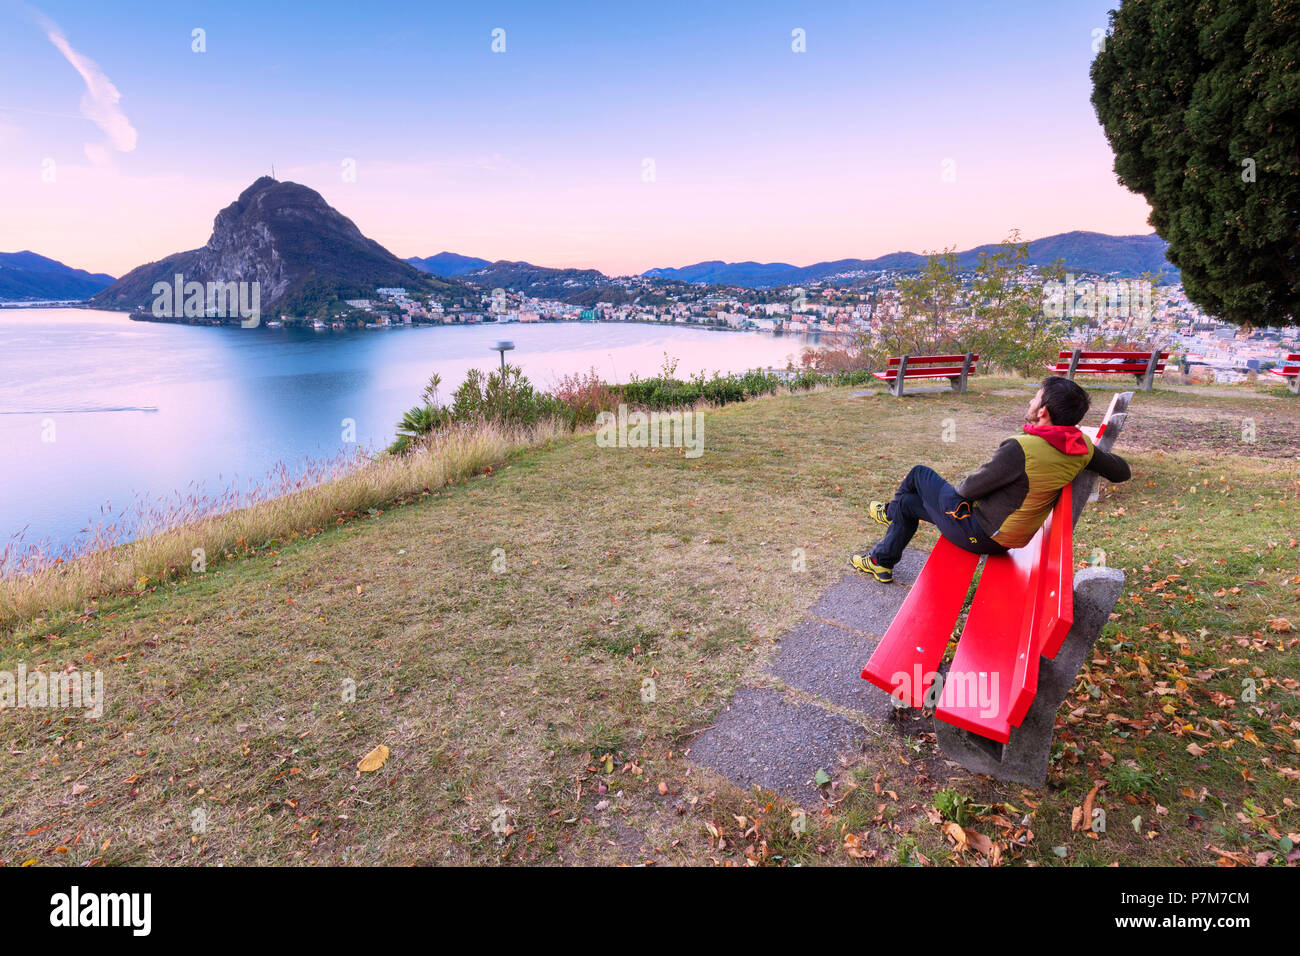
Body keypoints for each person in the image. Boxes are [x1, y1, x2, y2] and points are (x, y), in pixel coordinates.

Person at [850, 375, 1131, 583]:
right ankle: (880, 561)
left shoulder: (1021, 448)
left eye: (1035, 397)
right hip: (1007, 536)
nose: (1031, 401)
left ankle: (889, 512)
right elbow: (1121, 471)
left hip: (982, 535)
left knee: (919, 474)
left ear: (1043, 411)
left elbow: (967, 490)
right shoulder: (1080, 446)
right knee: (908, 504)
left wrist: (955, 496)